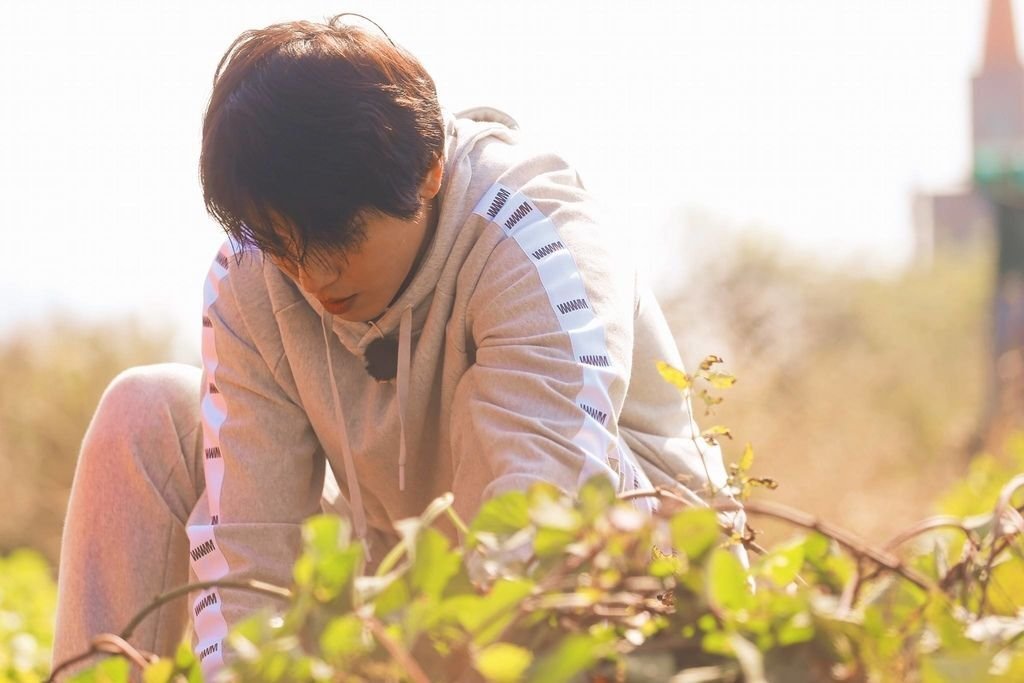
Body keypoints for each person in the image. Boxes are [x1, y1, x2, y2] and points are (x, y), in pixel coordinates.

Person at [51, 14, 748, 679]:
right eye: (285, 244)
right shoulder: (254, 277)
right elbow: (253, 552)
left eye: (339, 236)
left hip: (618, 583)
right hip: (405, 588)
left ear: (428, 173)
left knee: (508, 439)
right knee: (146, 407)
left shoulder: (536, 234)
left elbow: (544, 515)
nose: (315, 276)